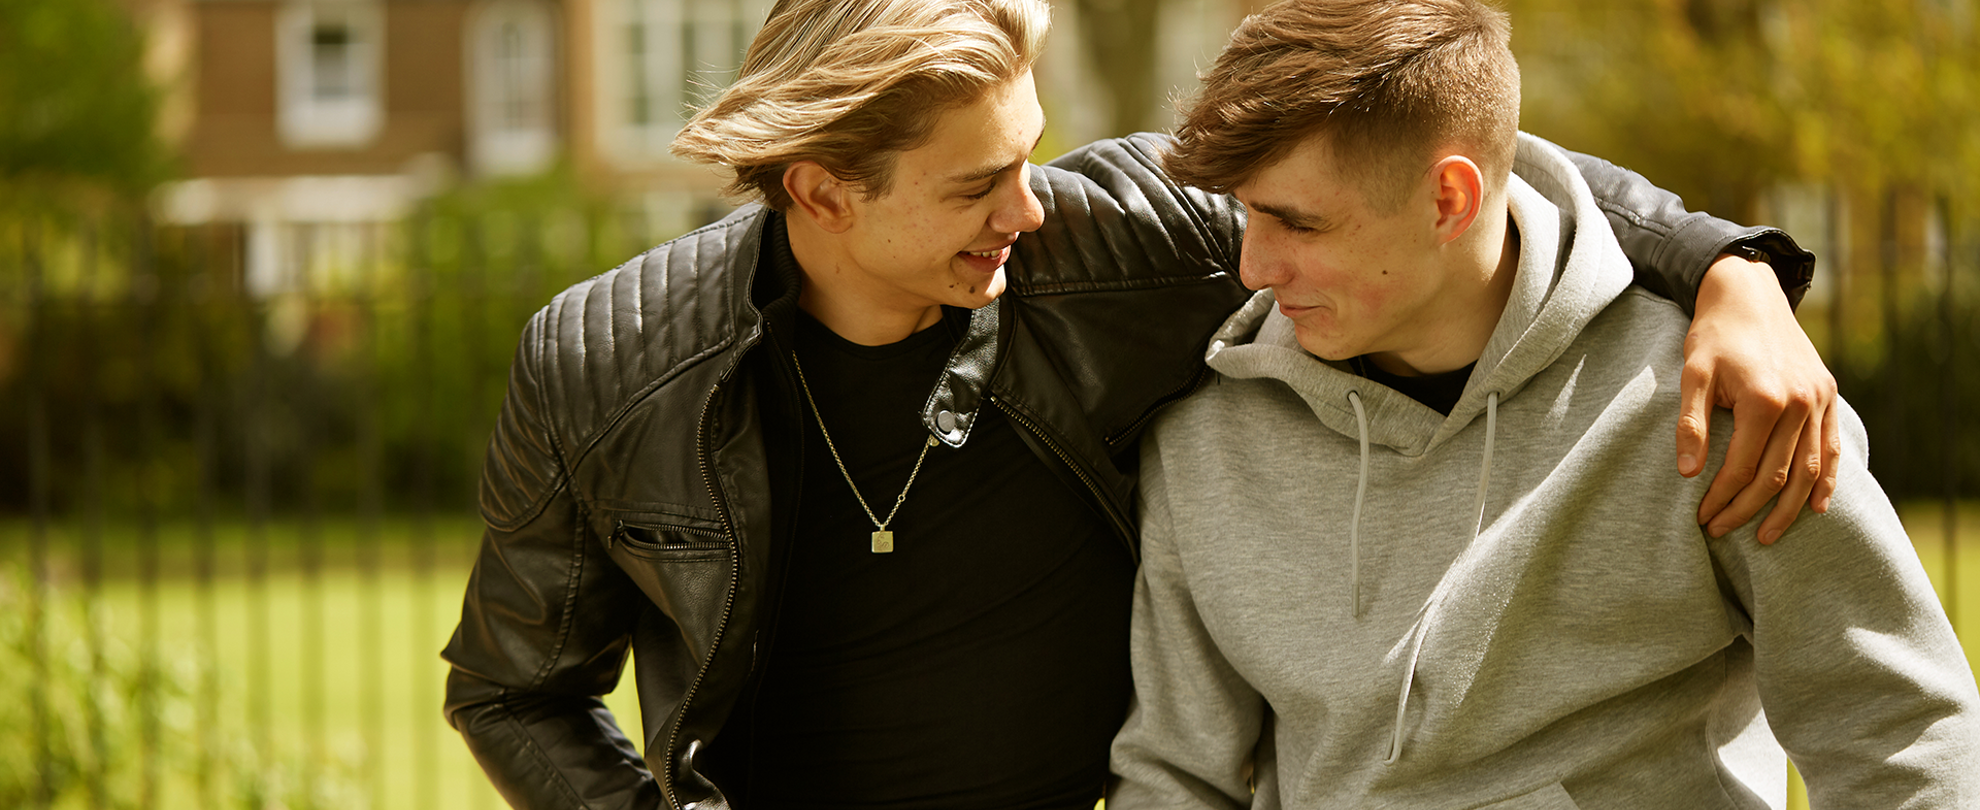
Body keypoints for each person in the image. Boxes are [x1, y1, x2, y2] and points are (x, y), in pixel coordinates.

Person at [441, 1, 1838, 807]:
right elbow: (513, 689)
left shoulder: (1103, 247)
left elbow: (1441, 149)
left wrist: (1731, 272)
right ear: (820, 190)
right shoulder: (605, 366)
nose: (1028, 206)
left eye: (1029, 154)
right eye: (975, 184)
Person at [1108, 1, 1980, 807]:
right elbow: (1177, 778)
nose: (1253, 266)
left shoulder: (1713, 403)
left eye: (1297, 224)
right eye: (1246, 216)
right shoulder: (1207, 433)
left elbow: (1897, 732)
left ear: (1450, 198)